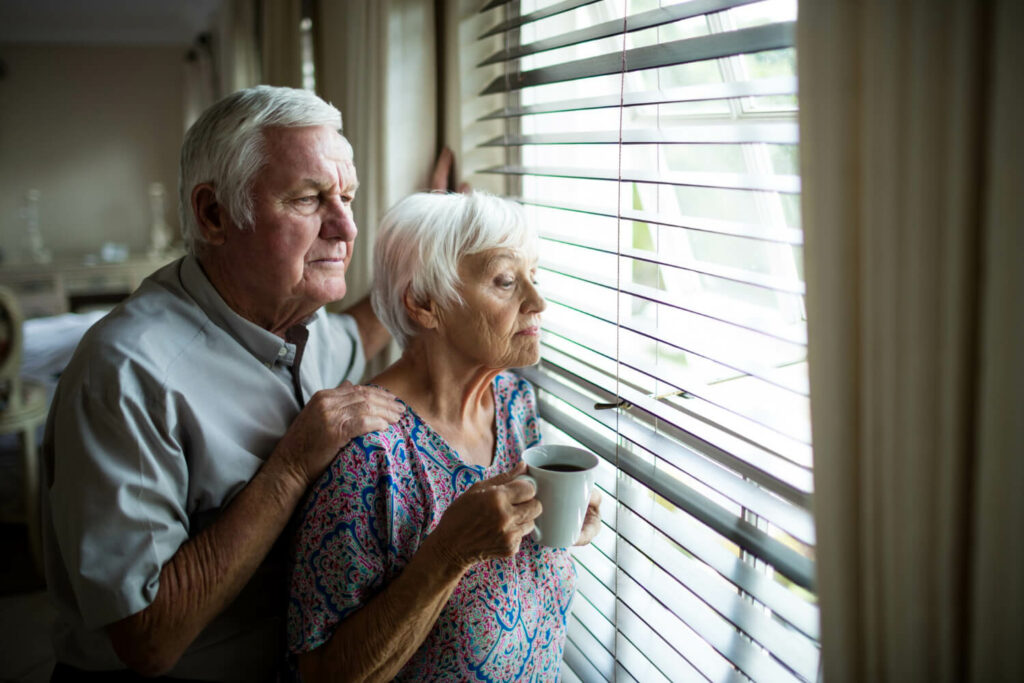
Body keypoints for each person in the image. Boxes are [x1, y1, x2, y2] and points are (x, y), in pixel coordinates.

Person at [40, 85, 405, 681]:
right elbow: (147, 640)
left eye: (347, 196)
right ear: (214, 214)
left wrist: (428, 254)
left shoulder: (294, 317)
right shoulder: (129, 371)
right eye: (310, 199)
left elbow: (360, 333)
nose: (344, 227)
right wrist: (291, 466)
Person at [287, 191, 603, 682]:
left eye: (533, 278)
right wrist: (450, 552)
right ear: (424, 303)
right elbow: (323, 676)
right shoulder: (370, 457)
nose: (537, 302)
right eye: (505, 281)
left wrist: (557, 522)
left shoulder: (514, 403)